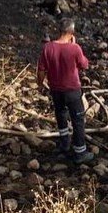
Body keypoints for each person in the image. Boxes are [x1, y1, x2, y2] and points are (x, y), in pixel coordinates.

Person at [37, 18, 94, 163]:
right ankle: (80, 152)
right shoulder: (75, 48)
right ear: (72, 32)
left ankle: (64, 144)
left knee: (61, 115)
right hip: (72, 90)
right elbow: (84, 64)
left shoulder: (48, 47)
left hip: (56, 89)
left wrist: (40, 84)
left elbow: (41, 70)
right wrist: (74, 45)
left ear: (59, 31)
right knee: (78, 120)